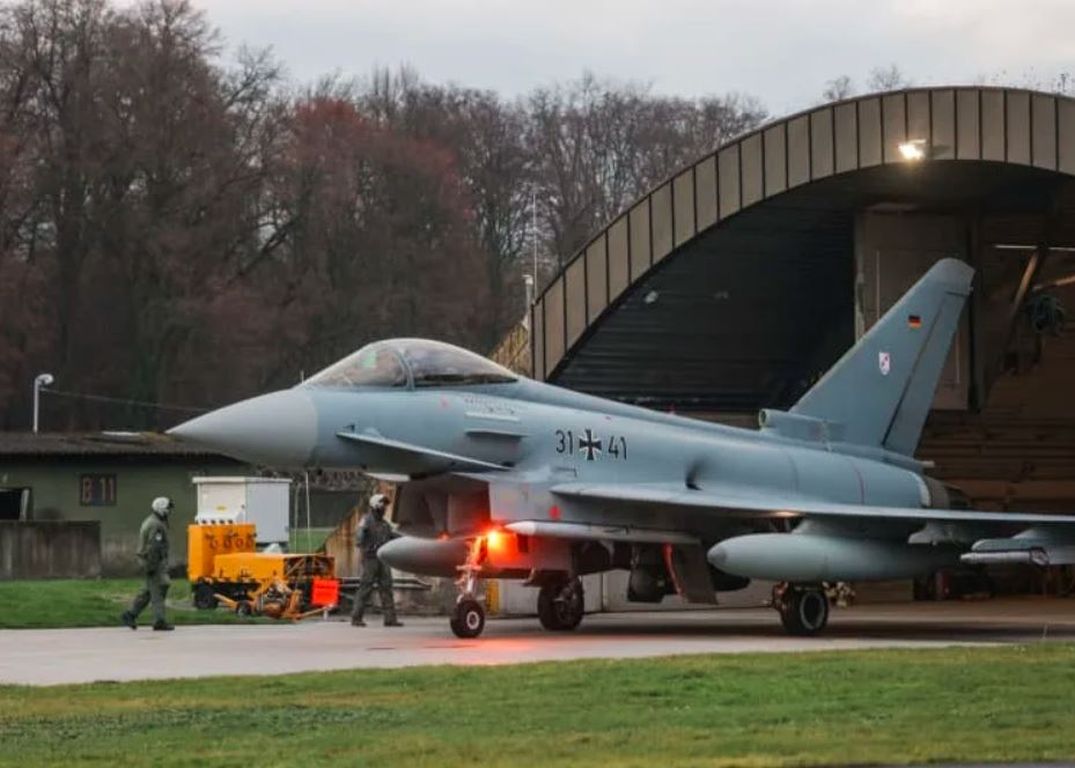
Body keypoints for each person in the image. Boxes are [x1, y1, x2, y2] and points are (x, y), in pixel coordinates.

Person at [121, 496, 175, 631]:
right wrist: (152, 566)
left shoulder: (152, 521)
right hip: (153, 561)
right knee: (159, 590)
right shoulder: (156, 525)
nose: (169, 512)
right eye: (168, 509)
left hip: (151, 560)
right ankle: (159, 621)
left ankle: (130, 614)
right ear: (161, 509)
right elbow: (154, 547)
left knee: (148, 591)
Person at [351, 493, 403, 627]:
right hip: (370, 559)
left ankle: (390, 619)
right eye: (382, 504)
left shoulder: (385, 524)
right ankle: (356, 618)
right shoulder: (366, 520)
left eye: (385, 505)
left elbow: (394, 535)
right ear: (374, 506)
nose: (384, 507)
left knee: (386, 588)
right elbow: (359, 537)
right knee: (365, 588)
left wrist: (408, 538)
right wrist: (365, 546)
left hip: (383, 560)